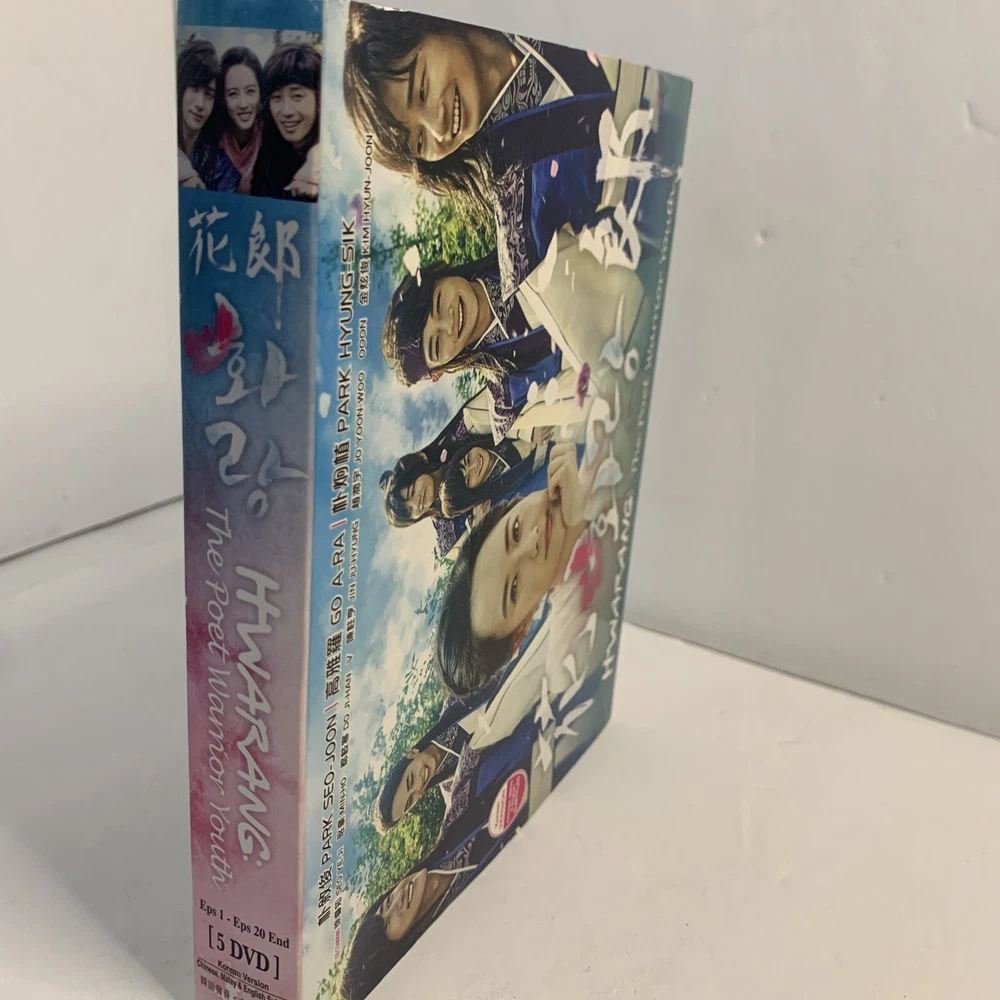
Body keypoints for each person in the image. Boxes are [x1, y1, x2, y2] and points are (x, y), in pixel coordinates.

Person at [343, 4, 626, 296]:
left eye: (422, 90)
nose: (438, 128)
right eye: (419, 142)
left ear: (428, 21)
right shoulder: (520, 232)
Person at [435, 441, 609, 697]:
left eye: (515, 531)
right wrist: (580, 523)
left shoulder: (581, 451)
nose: (532, 542)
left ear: (514, 505)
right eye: (514, 588)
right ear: (520, 632)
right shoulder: (571, 654)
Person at [339, 766, 526, 999]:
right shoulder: (472, 937)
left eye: (386, 904)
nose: (397, 899)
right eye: (387, 927)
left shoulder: (460, 801)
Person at [251, 43, 322, 201]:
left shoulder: (338, 153)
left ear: (319, 98)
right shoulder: (269, 150)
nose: (286, 111)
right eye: (276, 97)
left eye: (297, 96)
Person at [177, 40, 240, 193]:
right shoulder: (153, 140)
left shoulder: (224, 171)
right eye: (194, 88)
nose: (200, 104)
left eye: (208, 94)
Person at [218, 47, 264, 195]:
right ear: (223, 99)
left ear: (260, 93)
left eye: (250, 91)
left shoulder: (273, 136)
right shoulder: (212, 142)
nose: (243, 104)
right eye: (233, 94)